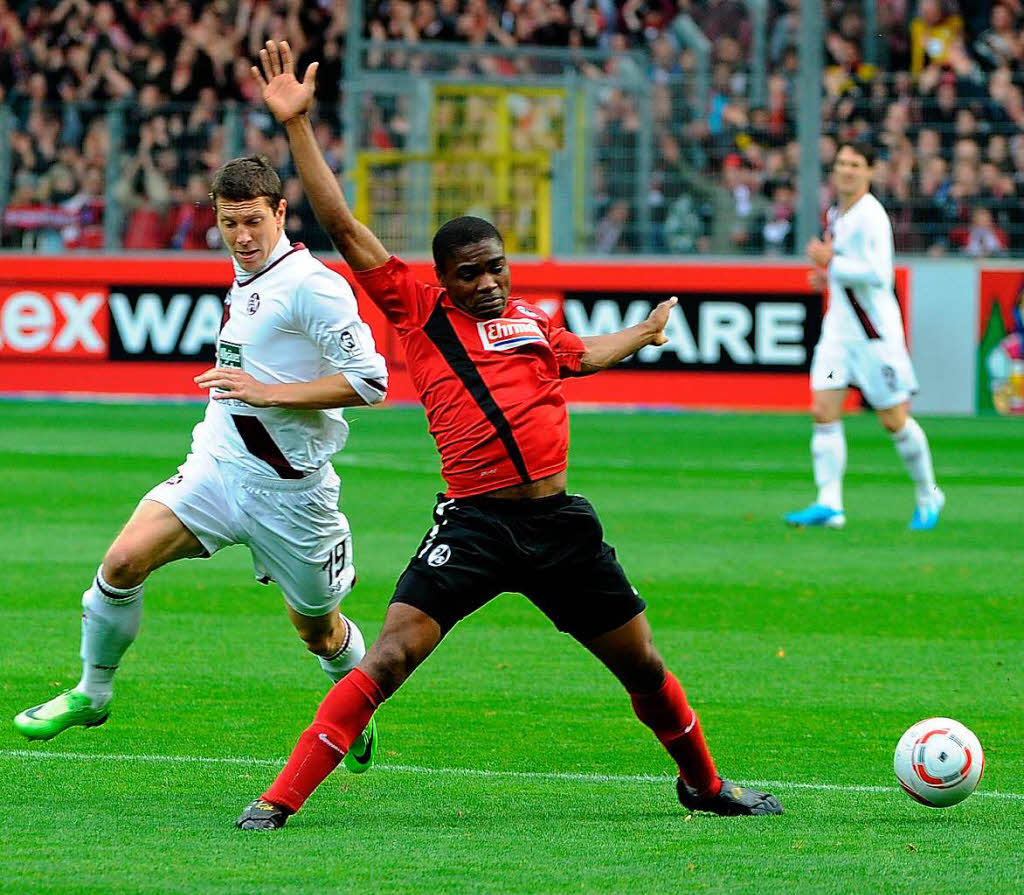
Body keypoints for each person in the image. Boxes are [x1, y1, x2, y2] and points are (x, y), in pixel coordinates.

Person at [235, 41, 783, 831]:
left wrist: (646, 329)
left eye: (495, 266)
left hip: (559, 527)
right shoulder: (420, 311)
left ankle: (704, 784)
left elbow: (584, 356)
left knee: (642, 663)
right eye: (469, 272)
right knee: (389, 656)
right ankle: (279, 798)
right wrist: (299, 129)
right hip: (478, 524)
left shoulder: (533, 323)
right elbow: (348, 227)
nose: (487, 281)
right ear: (443, 277)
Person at [14, 154, 388, 774]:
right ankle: (92, 692)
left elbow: (371, 381)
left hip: (293, 495)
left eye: (252, 223)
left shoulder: (313, 285)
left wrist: (268, 394)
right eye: (228, 223)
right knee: (121, 563)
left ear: (281, 214)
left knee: (319, 632)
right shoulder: (244, 274)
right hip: (219, 464)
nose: (241, 237)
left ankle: (353, 711)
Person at [785, 142, 944, 531]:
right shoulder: (837, 213)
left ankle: (929, 494)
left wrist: (832, 263)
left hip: (874, 338)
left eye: (856, 164)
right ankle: (829, 504)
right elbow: (848, 276)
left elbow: (878, 274)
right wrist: (827, 279)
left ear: (870, 172)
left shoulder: (872, 216)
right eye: (841, 163)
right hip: (838, 336)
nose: (847, 170)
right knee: (824, 410)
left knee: (893, 420)